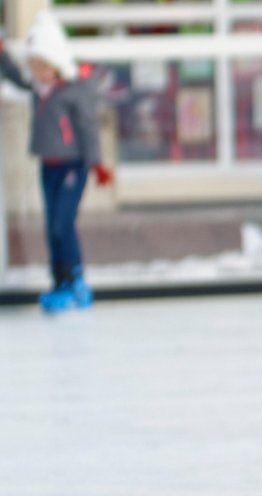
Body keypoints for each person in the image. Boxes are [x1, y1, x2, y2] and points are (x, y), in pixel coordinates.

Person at [0, 21, 111, 313]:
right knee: (52, 226)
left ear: (56, 63)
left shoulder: (74, 90)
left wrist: (96, 163)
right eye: (33, 67)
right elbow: (14, 76)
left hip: (73, 166)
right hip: (48, 166)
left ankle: (76, 280)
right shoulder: (39, 88)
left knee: (64, 223)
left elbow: (88, 127)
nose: (37, 73)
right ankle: (59, 281)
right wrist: (2, 53)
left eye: (42, 66)